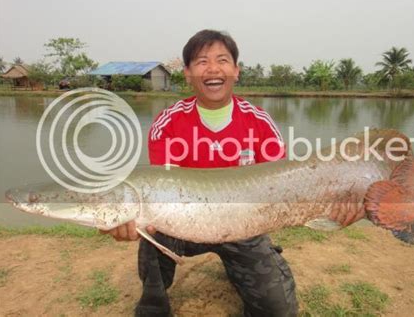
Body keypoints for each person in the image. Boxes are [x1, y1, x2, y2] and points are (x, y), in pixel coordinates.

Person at [103, 29, 298, 316]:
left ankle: (256, 259)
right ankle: (154, 302)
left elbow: (278, 186)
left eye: (222, 60)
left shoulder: (259, 122)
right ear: (188, 73)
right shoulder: (167, 123)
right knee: (151, 237)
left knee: (278, 310)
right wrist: (129, 220)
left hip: (241, 226)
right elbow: (158, 190)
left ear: (236, 71)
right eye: (202, 61)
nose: (213, 69)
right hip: (181, 224)